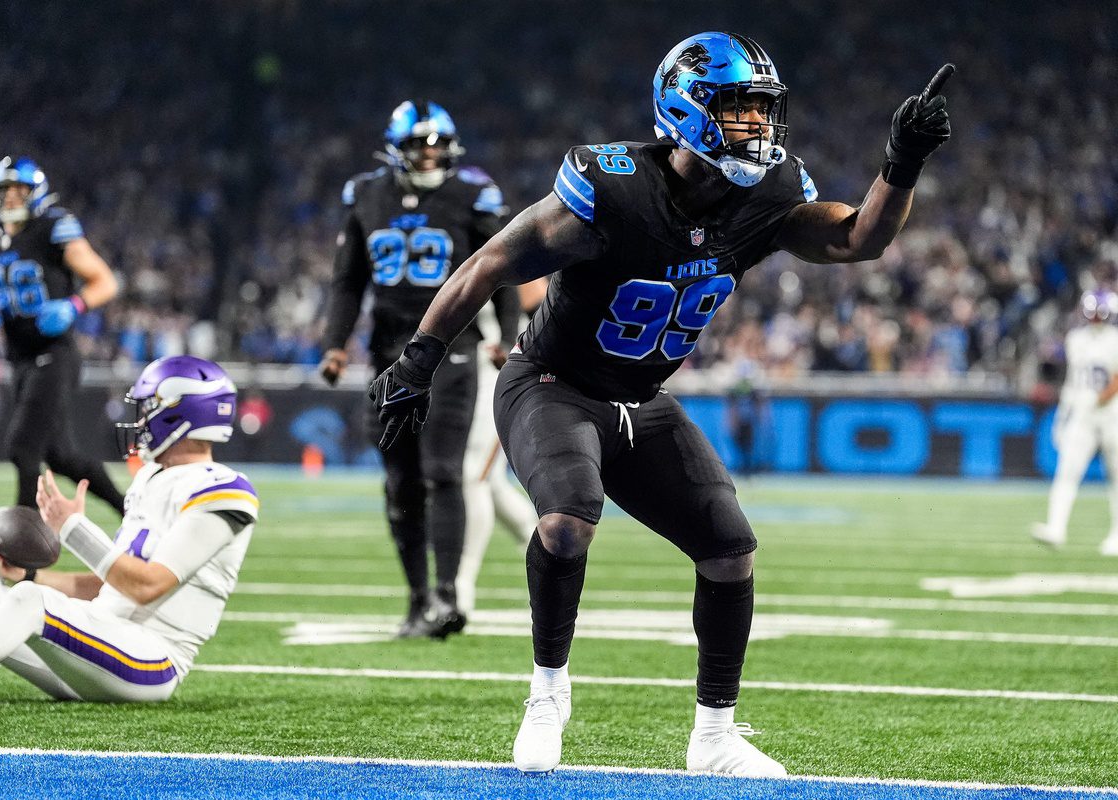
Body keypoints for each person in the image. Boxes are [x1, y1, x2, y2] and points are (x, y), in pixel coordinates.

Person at [369, 32, 952, 776]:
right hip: (551, 384)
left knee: (730, 549)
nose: (759, 128)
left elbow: (858, 241)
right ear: (687, 109)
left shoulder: (766, 196)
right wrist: (417, 359)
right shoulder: (612, 186)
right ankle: (547, 693)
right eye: (741, 110)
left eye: (763, 112)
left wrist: (901, 164)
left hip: (640, 399)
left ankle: (714, 737)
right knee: (569, 518)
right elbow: (490, 263)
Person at [0, 356, 257, 701]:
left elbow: (148, 586)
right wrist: (29, 576)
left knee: (31, 602)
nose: (140, 419)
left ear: (180, 414)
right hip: (94, 641)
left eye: (150, 407)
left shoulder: (223, 490)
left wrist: (74, 530)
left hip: (150, 660)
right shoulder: (151, 479)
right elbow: (111, 585)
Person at [319, 100, 518, 638]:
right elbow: (348, 280)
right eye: (419, 144)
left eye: (437, 144)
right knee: (401, 481)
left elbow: (501, 266)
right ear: (397, 148)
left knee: (444, 471)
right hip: (388, 352)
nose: (430, 154)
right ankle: (417, 598)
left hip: (452, 348)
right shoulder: (366, 194)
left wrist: (506, 332)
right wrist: (335, 344)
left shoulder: (471, 194)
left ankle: (448, 597)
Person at [0, 156, 124, 515]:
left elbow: (106, 281)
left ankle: (22, 554)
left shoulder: (54, 227)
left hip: (55, 353)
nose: (10, 198)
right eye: (4, 190)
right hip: (20, 358)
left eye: (19, 190)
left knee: (22, 448)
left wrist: (74, 305)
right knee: (62, 456)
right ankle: (129, 509)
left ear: (35, 191)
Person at [457, 279, 546, 615]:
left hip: (501, 372)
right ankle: (544, 545)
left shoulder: (503, 235)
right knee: (489, 482)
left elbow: (540, 302)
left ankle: (460, 584)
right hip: (466, 370)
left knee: (473, 475)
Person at [1032, 289, 1118, 555]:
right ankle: (1056, 528)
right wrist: (1063, 415)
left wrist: (1101, 399)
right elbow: (1071, 382)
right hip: (1082, 414)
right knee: (1067, 472)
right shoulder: (1075, 339)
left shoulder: (1115, 340)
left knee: (1116, 477)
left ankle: (1116, 535)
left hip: (1112, 414)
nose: (1095, 318)